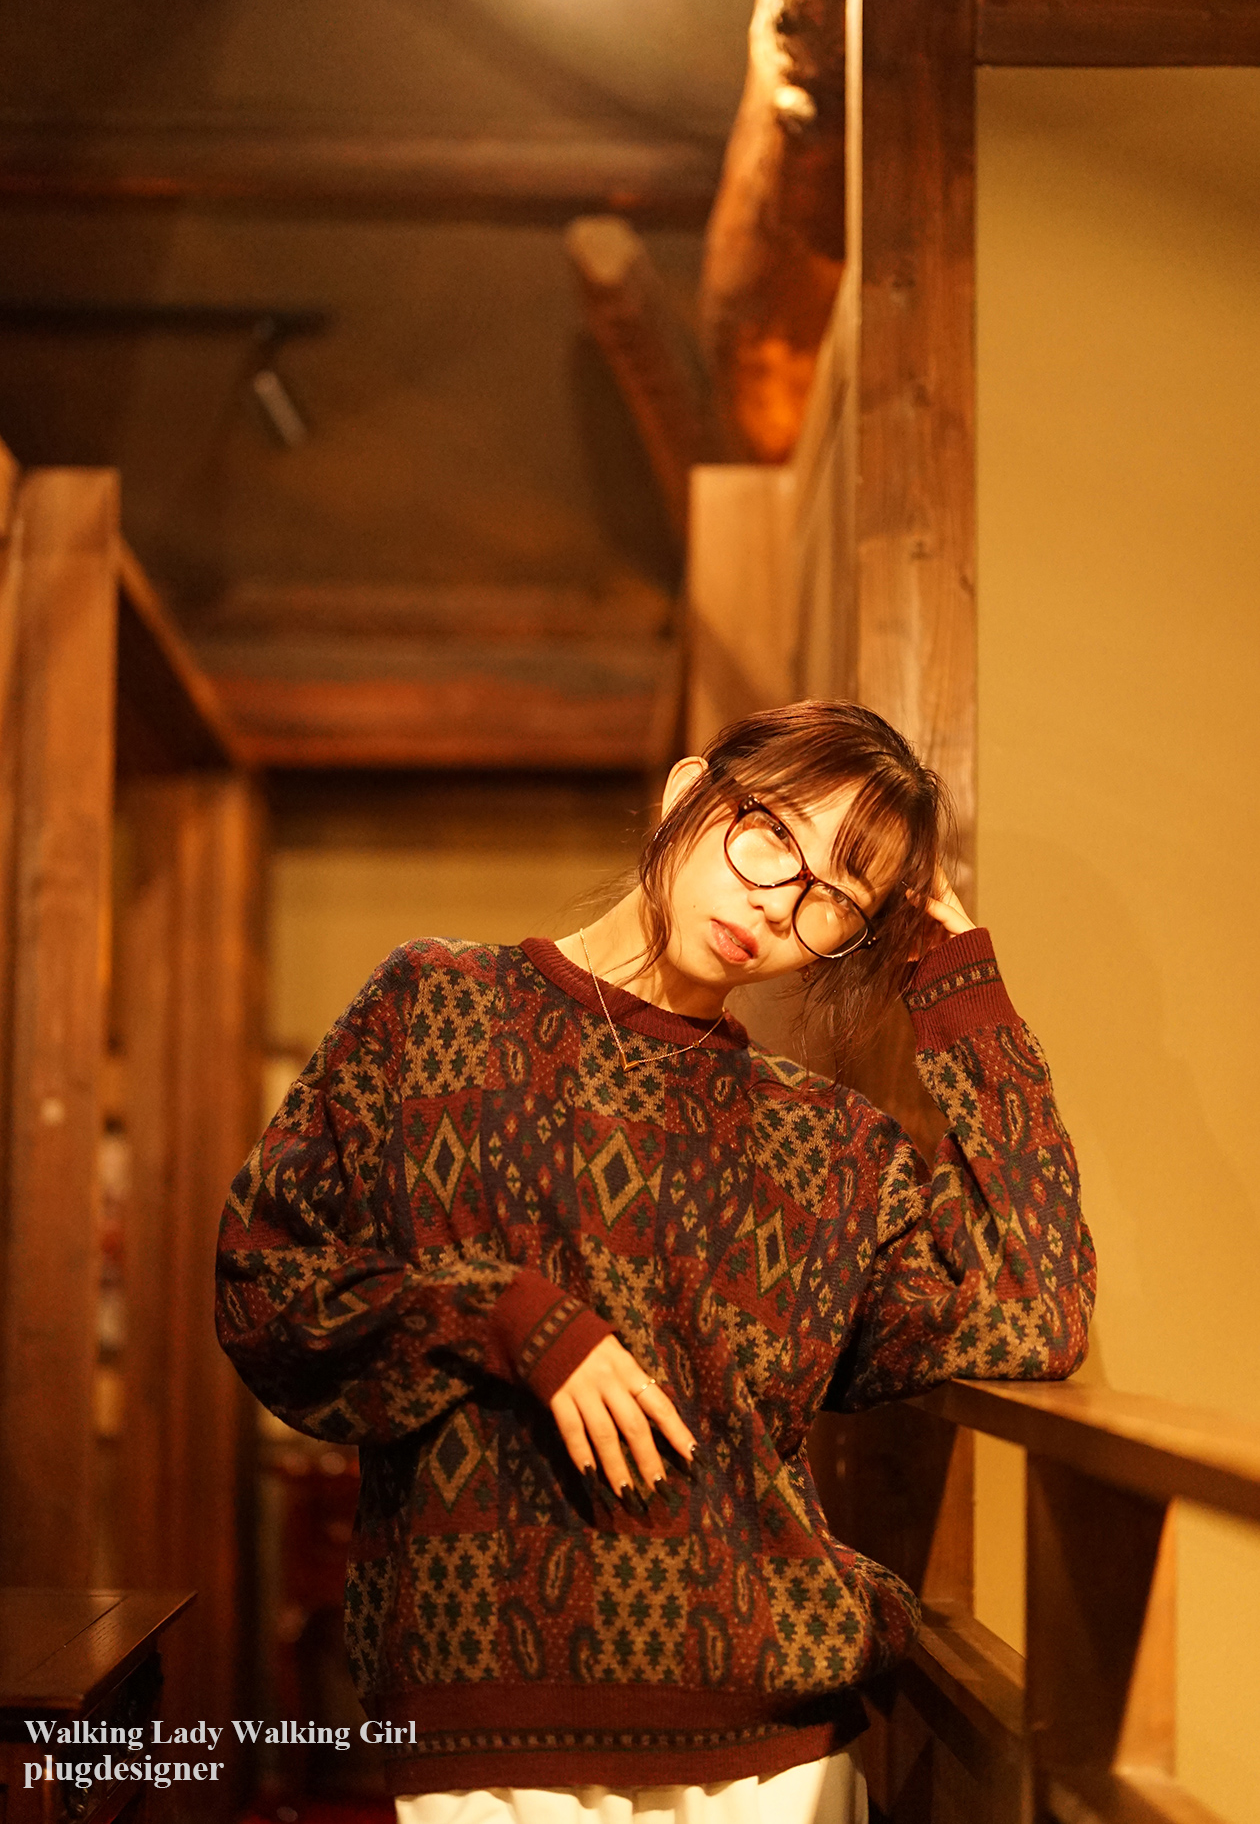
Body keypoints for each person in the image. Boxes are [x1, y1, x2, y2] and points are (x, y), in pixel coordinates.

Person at [216, 700, 1096, 1824]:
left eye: (837, 898)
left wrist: (961, 990)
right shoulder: (435, 1008)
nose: (778, 902)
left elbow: (1038, 1308)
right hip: (488, 1713)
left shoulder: (827, 1146)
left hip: (770, 1747)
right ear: (689, 793)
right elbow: (263, 1283)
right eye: (773, 837)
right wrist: (508, 1317)